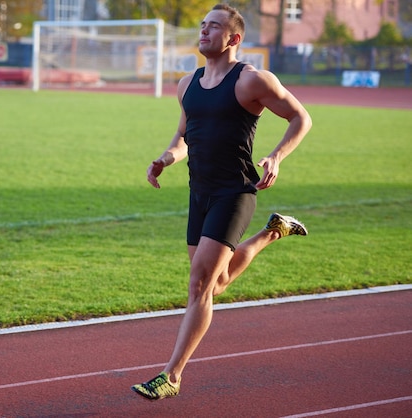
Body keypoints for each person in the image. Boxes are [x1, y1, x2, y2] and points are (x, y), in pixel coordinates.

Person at [131, 3, 312, 401]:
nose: (203, 32)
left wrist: (276, 156)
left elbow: (301, 117)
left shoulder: (251, 81)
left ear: (234, 38)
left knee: (199, 284)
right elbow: (184, 136)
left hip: (235, 192)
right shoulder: (187, 84)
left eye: (213, 27)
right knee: (218, 282)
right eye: (202, 25)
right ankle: (273, 231)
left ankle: (171, 375)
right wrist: (165, 158)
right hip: (201, 193)